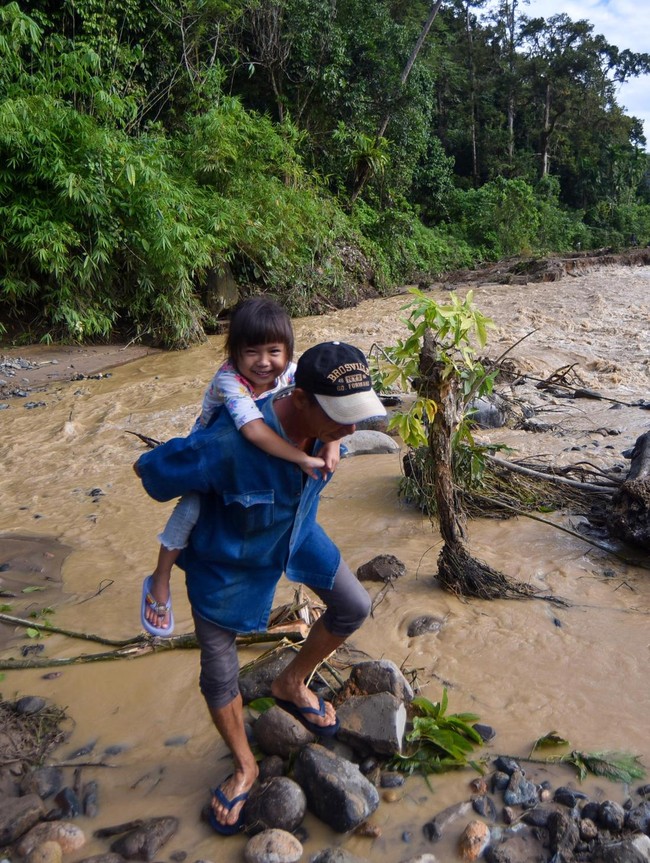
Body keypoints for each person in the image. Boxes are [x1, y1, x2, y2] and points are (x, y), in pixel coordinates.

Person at [134, 340, 386, 834]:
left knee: (353, 605)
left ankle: (289, 682)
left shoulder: (327, 430)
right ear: (301, 399)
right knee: (219, 672)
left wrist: (333, 438)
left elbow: (338, 432)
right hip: (226, 564)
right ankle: (246, 764)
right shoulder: (227, 445)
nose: (352, 429)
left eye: (355, 416)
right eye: (340, 418)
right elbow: (152, 472)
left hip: (296, 534)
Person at [141, 297, 341, 637]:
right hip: (214, 451)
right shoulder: (229, 379)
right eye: (252, 352)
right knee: (190, 509)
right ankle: (159, 578)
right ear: (234, 352)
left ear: (288, 352)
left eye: (274, 352)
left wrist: (333, 441)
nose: (264, 363)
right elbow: (252, 430)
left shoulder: (292, 373)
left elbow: (327, 402)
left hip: (261, 449)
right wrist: (302, 458)